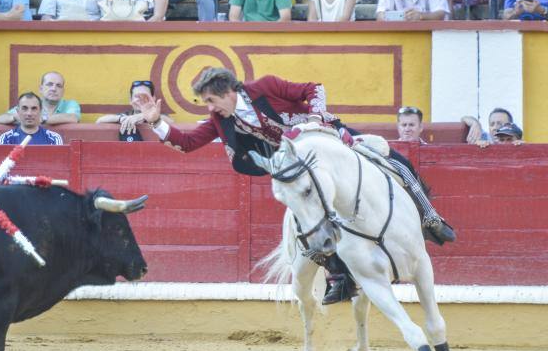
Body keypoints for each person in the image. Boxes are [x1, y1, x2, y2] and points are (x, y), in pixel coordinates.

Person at [134, 67, 455, 305]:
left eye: (211, 100)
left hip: (326, 142)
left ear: (229, 92)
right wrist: (155, 121)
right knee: (308, 220)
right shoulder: (223, 119)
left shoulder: (265, 87)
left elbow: (313, 88)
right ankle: (340, 276)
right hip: (299, 169)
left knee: (390, 158)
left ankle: (429, 217)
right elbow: (188, 143)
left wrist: (316, 119)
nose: (209, 107)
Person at [95, 80, 174, 140]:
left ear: (153, 99)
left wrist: (143, 116)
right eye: (137, 96)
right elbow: (99, 121)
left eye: (145, 96)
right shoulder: (127, 116)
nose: (140, 100)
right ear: (130, 100)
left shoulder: (158, 116)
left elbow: (171, 122)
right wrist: (121, 118)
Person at [0, 71, 81, 126]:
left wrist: (42, 119)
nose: (54, 89)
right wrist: (15, 118)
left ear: (63, 91)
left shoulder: (70, 104)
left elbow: (73, 118)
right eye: (49, 84)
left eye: (58, 86)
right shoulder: (32, 104)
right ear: (41, 89)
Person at [0, 93, 64, 145]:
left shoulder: (54, 138)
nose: (29, 113)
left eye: (34, 108)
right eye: (25, 108)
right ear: (18, 111)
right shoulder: (6, 138)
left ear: (41, 111)